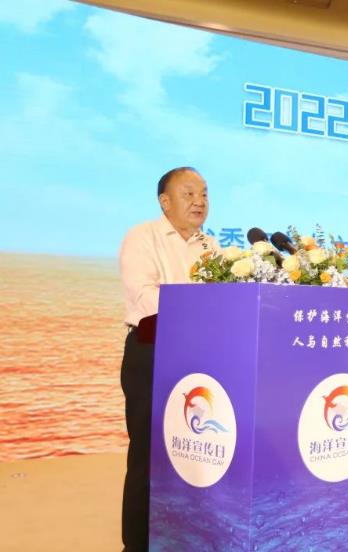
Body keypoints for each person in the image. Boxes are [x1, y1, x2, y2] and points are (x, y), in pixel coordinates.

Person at [118, 167, 220, 551]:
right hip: (152, 351)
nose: (199, 201)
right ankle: (136, 544)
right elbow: (145, 298)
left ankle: (180, 536)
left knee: (193, 451)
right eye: (189, 193)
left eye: (205, 194)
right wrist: (202, 304)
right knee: (147, 454)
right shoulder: (142, 237)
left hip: (202, 356)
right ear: (165, 201)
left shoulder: (211, 247)